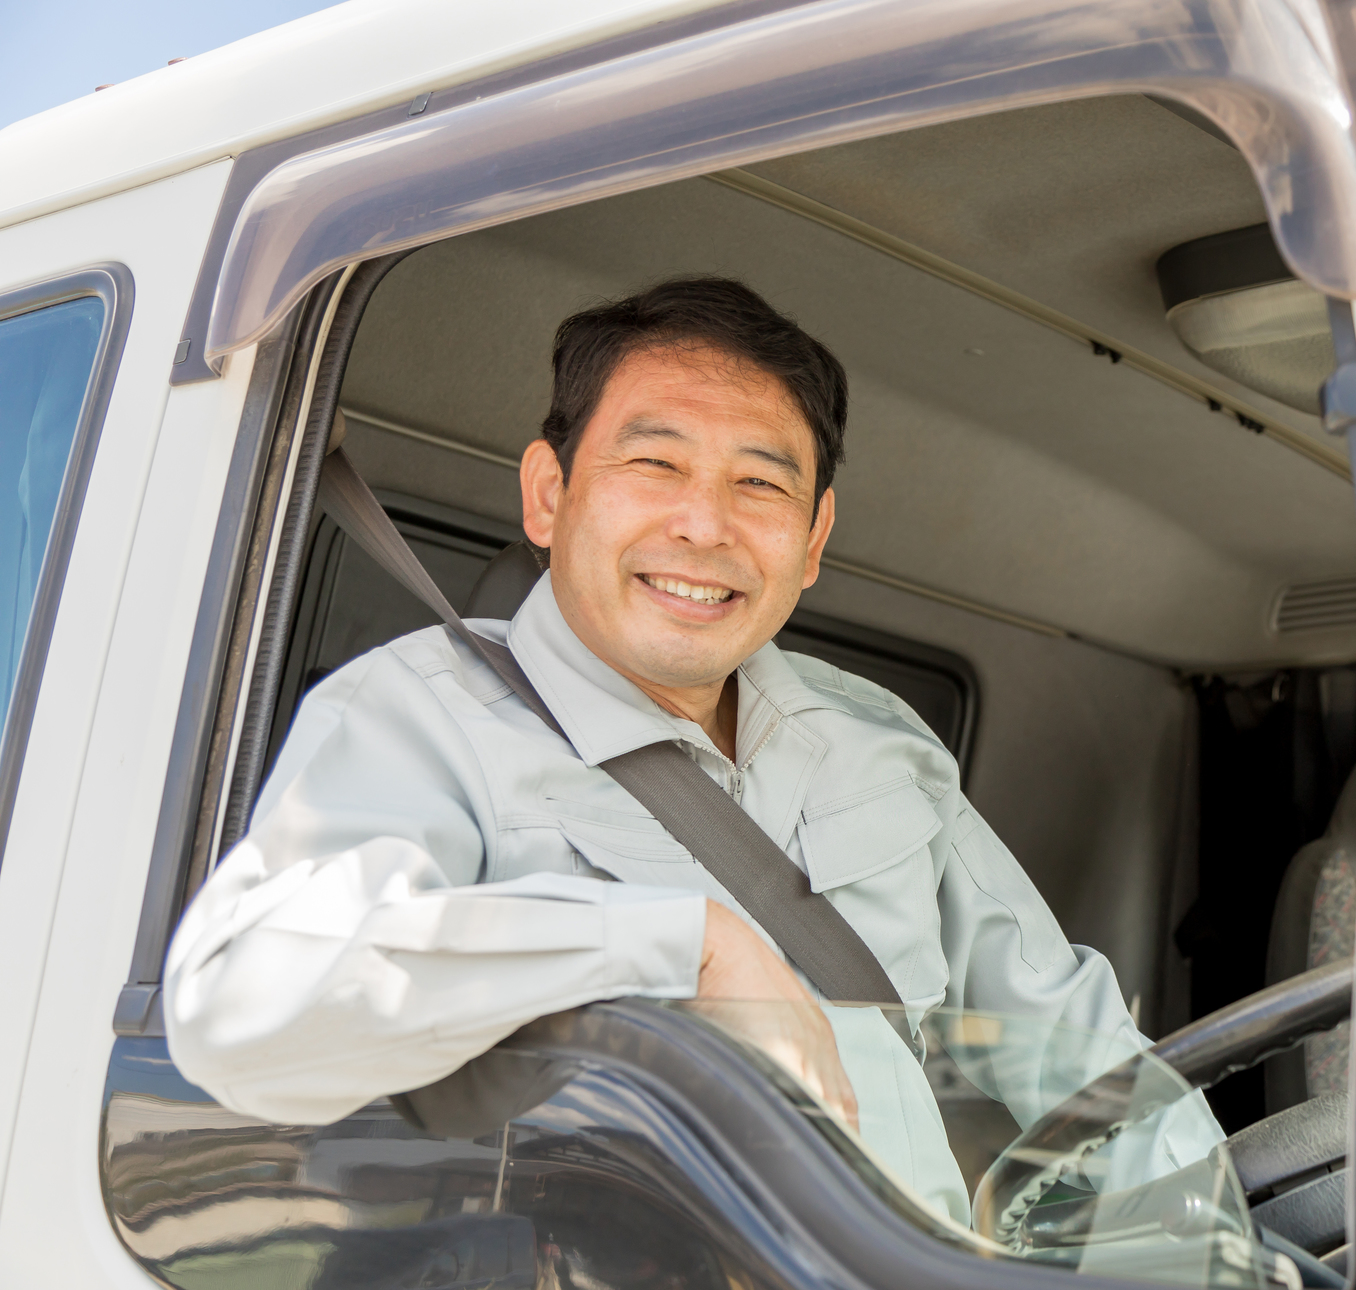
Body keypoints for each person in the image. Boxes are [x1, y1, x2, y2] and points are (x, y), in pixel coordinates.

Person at [164, 276, 1212, 1223]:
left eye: (758, 485)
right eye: (654, 462)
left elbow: (1077, 1052)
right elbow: (238, 1007)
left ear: (812, 540)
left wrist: (1212, 1247)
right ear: (547, 493)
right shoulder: (417, 717)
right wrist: (683, 944)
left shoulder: (875, 738)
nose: (704, 525)